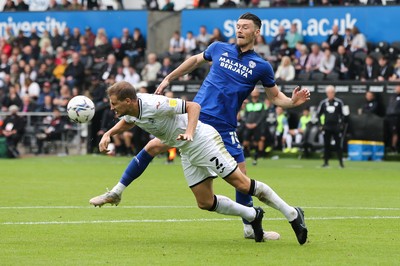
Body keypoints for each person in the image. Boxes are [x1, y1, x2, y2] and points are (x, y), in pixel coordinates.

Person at [90, 12, 310, 244]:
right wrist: (169, 78)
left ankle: (254, 224)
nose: (239, 30)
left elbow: (275, 97)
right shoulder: (218, 48)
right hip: (197, 118)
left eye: (245, 27)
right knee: (155, 148)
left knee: (242, 179)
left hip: (223, 126)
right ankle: (117, 191)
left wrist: (292, 102)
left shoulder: (262, 67)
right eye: (237, 26)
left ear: (256, 32)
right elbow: (195, 61)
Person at [97, 81, 305, 244]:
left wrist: (189, 131)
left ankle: (292, 213)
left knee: (242, 184)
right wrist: (109, 133)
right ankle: (252, 214)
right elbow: (129, 121)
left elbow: (194, 106)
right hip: (186, 149)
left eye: (114, 103)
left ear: (128, 101)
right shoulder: (132, 110)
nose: (112, 108)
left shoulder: (155, 104)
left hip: (202, 140)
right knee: (205, 202)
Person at [317, 85, 345, 168]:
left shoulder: (339, 102)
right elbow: (319, 114)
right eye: (328, 92)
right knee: (326, 145)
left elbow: (343, 115)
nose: (330, 94)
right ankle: (326, 162)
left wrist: (341, 125)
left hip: (336, 127)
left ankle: (341, 163)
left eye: (332, 92)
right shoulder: (323, 103)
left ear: (334, 93)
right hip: (326, 127)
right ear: (326, 93)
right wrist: (320, 125)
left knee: (338, 145)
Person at [384, 85, 400, 153]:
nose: (397, 89)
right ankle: (387, 147)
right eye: (396, 88)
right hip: (388, 116)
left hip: (396, 117)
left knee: (395, 132)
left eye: (398, 88)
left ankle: (394, 148)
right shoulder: (392, 96)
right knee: (388, 132)